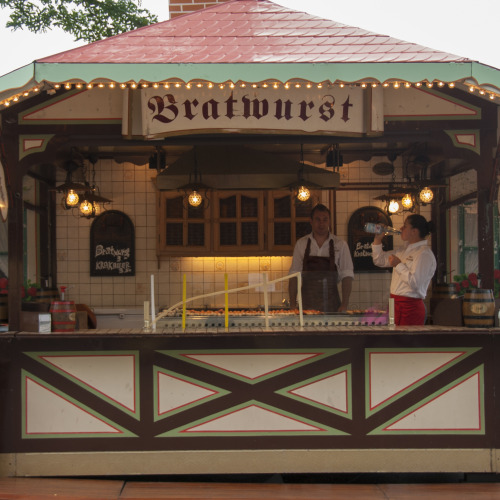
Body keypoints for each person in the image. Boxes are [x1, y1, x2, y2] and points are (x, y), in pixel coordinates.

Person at [371, 213, 436, 325]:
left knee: (407, 342)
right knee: (393, 341)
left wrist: (399, 265)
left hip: (410, 306)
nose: (401, 229)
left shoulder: (424, 254)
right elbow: (379, 260)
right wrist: (377, 239)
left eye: (405, 226)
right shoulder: (403, 250)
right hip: (394, 304)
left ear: (414, 231)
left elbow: (416, 283)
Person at [289, 203, 354, 312]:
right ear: (311, 221)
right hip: (306, 308)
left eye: (325, 220)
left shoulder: (340, 245)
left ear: (329, 221)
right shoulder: (301, 244)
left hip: (333, 307)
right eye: (318, 219)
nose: (321, 223)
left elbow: (347, 276)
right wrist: (292, 305)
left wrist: (344, 305)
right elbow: (294, 276)